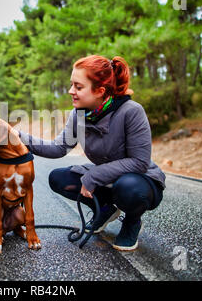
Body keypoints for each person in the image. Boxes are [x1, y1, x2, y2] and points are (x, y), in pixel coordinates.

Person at [16, 55, 166, 251]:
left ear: (100, 91)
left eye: (78, 87)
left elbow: (139, 162)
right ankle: (104, 209)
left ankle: (132, 221)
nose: (71, 91)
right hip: (108, 177)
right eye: (72, 85)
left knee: (128, 188)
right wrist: (18, 136)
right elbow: (59, 148)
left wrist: (94, 176)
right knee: (58, 178)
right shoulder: (78, 114)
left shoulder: (131, 111)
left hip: (141, 179)